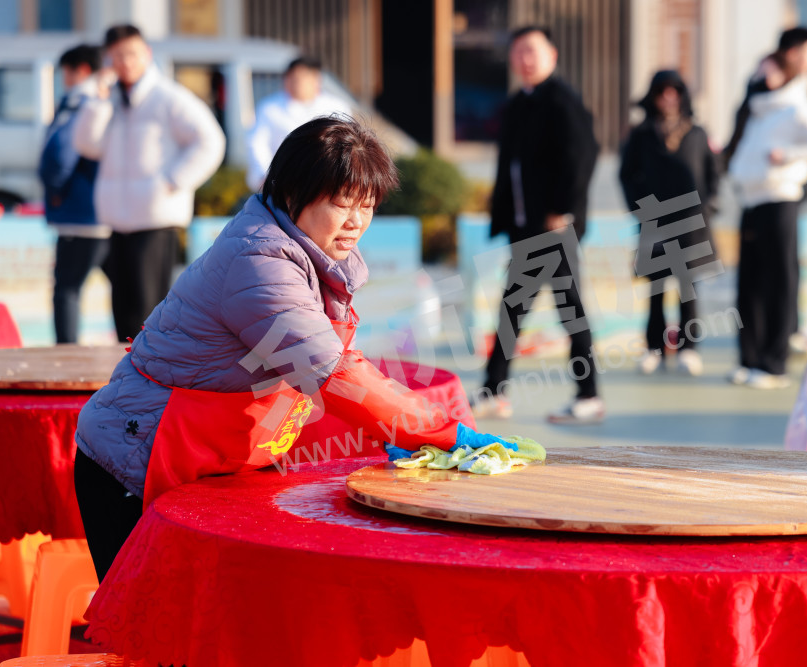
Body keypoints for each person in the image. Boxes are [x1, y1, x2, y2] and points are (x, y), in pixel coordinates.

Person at [73, 117, 514, 582]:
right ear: (291, 193)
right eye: (342, 203)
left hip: (207, 457)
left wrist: (391, 430)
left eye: (367, 205)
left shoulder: (314, 253)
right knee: (152, 638)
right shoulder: (258, 261)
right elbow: (335, 372)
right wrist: (442, 433)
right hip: (132, 461)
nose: (356, 222)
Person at [474, 25, 601, 424]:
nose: (525, 59)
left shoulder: (562, 101)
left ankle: (589, 395)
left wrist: (563, 209)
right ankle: (494, 391)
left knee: (569, 309)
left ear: (552, 54)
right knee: (512, 309)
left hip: (553, 226)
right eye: (518, 52)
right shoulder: (518, 104)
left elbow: (583, 156)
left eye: (532, 50)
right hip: (524, 226)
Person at [74, 24, 226, 344]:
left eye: (131, 54)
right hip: (118, 219)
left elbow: (211, 140)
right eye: (116, 56)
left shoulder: (168, 97)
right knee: (121, 310)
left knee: (148, 308)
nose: (124, 62)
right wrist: (98, 101)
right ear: (107, 60)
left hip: (156, 219)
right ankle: (127, 380)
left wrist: (172, 181)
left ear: (147, 54)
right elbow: (87, 145)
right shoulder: (110, 99)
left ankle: (152, 382)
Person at [728, 27, 807, 389]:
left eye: (771, 68)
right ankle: (750, 359)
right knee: (749, 284)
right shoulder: (758, 108)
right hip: (751, 200)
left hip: (781, 200)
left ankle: (775, 363)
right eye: (761, 69)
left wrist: (789, 156)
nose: (764, 75)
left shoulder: (797, 106)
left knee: (779, 283)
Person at [619, 70, 719, 377]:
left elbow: (713, 172)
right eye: (662, 90)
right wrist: (640, 208)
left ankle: (689, 348)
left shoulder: (697, 132)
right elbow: (626, 174)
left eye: (675, 90)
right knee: (656, 288)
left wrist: (709, 203)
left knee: (689, 288)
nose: (668, 97)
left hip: (692, 221)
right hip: (655, 221)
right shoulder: (642, 134)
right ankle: (654, 348)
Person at [38, 44, 109, 344]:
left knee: (66, 290)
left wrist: (54, 187)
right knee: (129, 290)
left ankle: (64, 357)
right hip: (108, 213)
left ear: (79, 70)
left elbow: (60, 152)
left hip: (80, 213)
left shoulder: (80, 102)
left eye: (65, 72)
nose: (63, 79)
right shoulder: (109, 100)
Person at [245, 56, 354, 192]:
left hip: (326, 182)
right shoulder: (269, 108)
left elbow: (347, 144)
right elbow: (257, 144)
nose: (294, 83)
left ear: (316, 79)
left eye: (300, 78)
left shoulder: (337, 107)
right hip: (280, 183)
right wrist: (267, 175)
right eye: (291, 78)